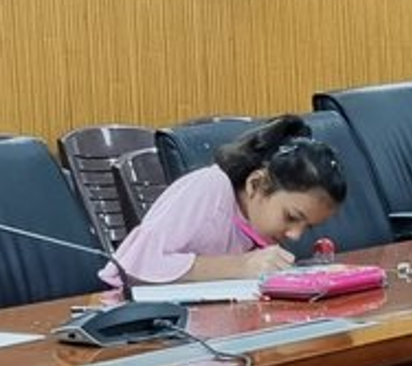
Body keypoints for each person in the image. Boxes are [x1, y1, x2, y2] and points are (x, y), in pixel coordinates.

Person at [101, 115, 346, 286]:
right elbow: (134, 265)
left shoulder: (255, 221)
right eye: (291, 217)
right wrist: (240, 266)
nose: (295, 235)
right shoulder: (209, 187)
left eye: (307, 227)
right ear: (256, 183)